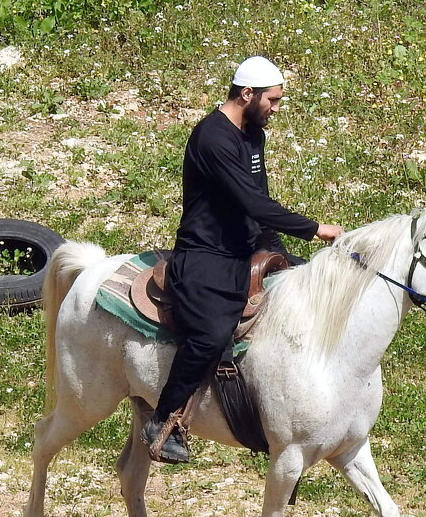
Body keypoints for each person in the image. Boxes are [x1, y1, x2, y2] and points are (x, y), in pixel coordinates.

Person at [139, 56, 344, 464]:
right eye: (273, 100)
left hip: (245, 247)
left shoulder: (253, 134)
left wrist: (276, 249)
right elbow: (250, 201)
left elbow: (259, 198)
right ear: (246, 93)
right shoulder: (212, 138)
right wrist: (315, 228)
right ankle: (162, 419)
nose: (276, 108)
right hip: (206, 255)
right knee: (211, 336)